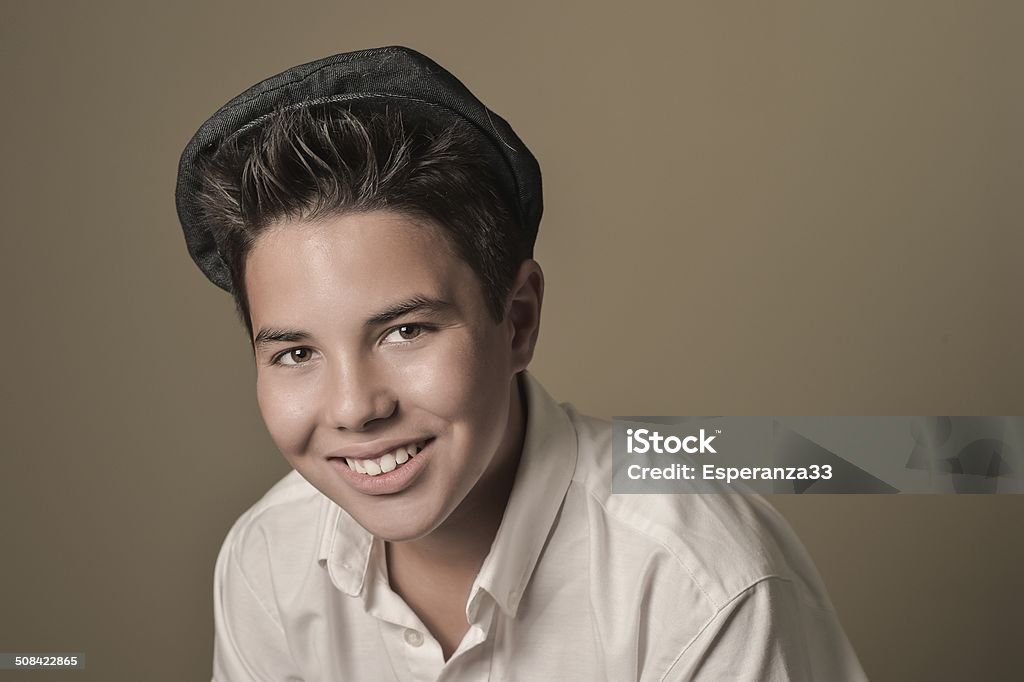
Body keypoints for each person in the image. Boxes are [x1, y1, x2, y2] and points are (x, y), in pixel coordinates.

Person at [175, 46, 868, 681]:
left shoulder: (695, 577)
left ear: (519, 320)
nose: (356, 407)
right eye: (297, 352)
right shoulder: (268, 557)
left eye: (405, 331)